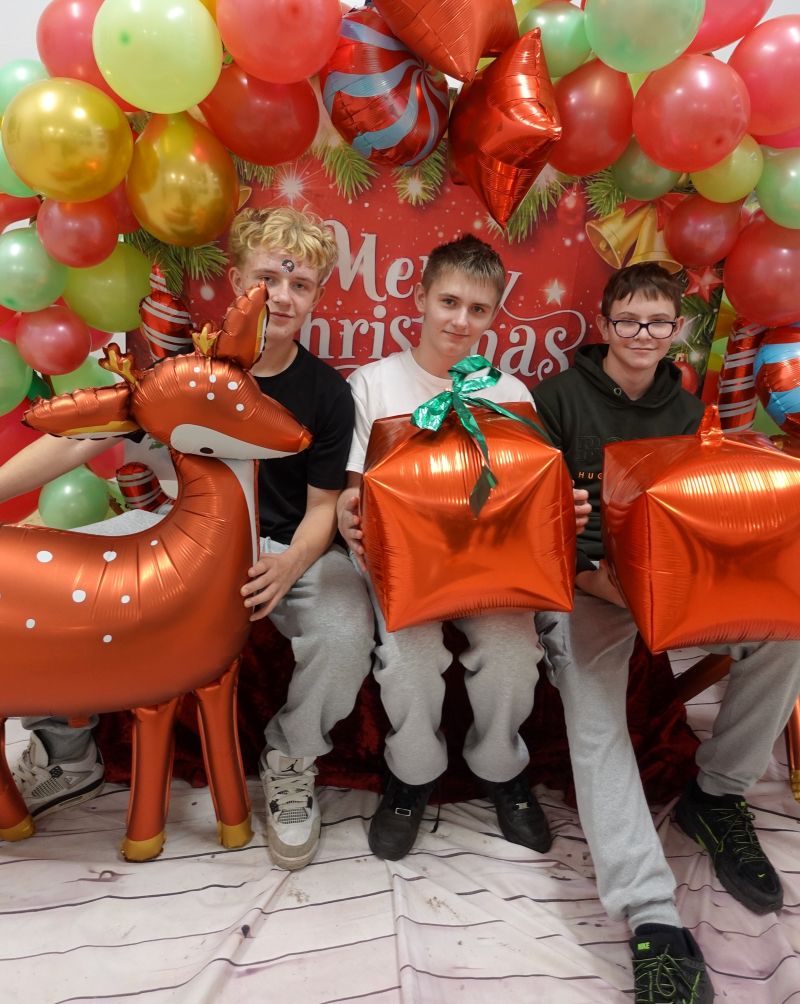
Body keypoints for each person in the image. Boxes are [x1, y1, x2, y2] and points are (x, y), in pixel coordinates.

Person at [1, 206, 376, 872]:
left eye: (300, 285)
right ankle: (67, 752)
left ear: (316, 296)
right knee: (54, 579)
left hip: (283, 548)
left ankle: (291, 759)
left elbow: (324, 508)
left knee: (347, 628)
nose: (283, 296)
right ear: (237, 281)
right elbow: (76, 442)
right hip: (180, 538)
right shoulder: (187, 372)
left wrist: (291, 564)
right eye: (269, 278)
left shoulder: (326, 393)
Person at [532, 262, 800, 1004]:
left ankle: (717, 794)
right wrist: (595, 580)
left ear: (677, 329)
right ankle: (650, 913)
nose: (642, 334)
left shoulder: (688, 413)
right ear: (604, 324)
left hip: (676, 588)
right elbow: (535, 525)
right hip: (586, 588)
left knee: (786, 632)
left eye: (657, 322)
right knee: (593, 710)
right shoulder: (553, 401)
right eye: (628, 320)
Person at [337, 234, 552, 862]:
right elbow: (355, 488)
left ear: (494, 316)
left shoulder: (511, 393)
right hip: (404, 564)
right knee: (409, 655)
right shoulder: (373, 384)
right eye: (449, 302)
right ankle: (413, 774)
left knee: (514, 653)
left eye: (478, 309)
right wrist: (350, 514)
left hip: (489, 564)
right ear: (421, 297)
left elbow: (529, 495)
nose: (460, 321)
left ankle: (500, 768)